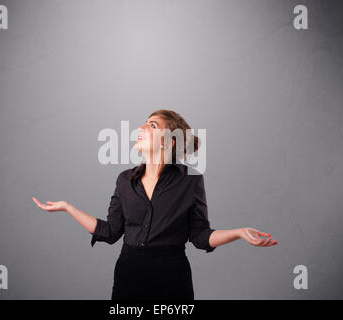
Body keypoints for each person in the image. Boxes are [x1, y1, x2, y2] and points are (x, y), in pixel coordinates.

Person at [32, 109, 278, 300]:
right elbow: (110, 232)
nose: (140, 127)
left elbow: (200, 236)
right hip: (129, 274)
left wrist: (238, 232)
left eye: (152, 125)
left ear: (169, 142)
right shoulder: (124, 180)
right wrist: (68, 207)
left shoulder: (190, 181)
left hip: (172, 278)